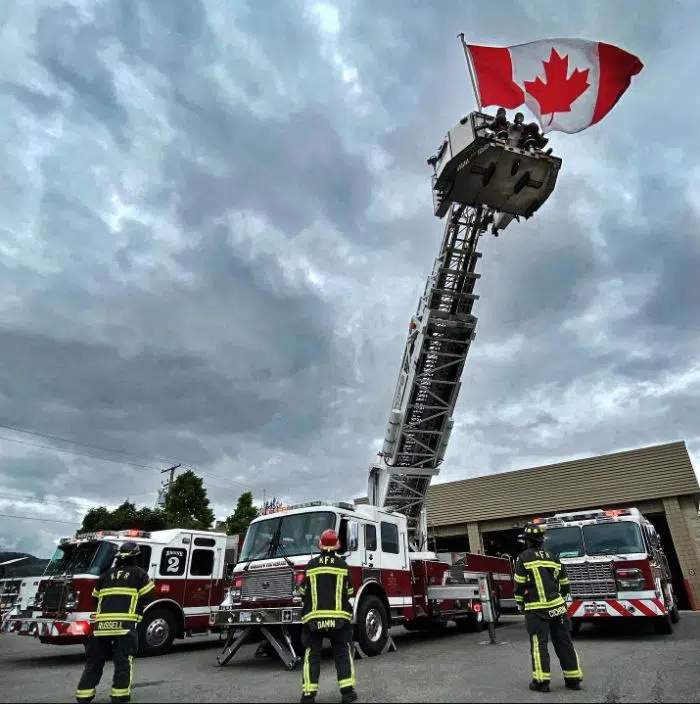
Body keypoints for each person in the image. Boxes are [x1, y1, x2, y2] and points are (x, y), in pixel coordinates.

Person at [75, 541, 155, 704]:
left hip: (101, 627)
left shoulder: (105, 574)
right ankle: (120, 695)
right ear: (136, 557)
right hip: (124, 627)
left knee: (94, 662)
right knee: (123, 661)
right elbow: (149, 595)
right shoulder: (139, 574)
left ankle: (84, 695)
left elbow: (94, 598)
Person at [514, 523, 583, 693]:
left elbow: (519, 586)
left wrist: (521, 604)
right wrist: (560, 599)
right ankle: (573, 679)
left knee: (539, 644)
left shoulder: (523, 558)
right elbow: (565, 585)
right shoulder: (554, 557)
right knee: (564, 642)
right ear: (542, 540)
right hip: (558, 608)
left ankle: (541, 682)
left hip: (537, 610)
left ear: (528, 542)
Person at [298, 529, 357, 704]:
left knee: (312, 656)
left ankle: (308, 695)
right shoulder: (343, 566)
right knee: (342, 653)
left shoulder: (311, 565)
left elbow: (302, 591)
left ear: (320, 544)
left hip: (314, 619)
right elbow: (350, 591)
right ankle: (347, 693)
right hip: (339, 620)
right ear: (337, 545)